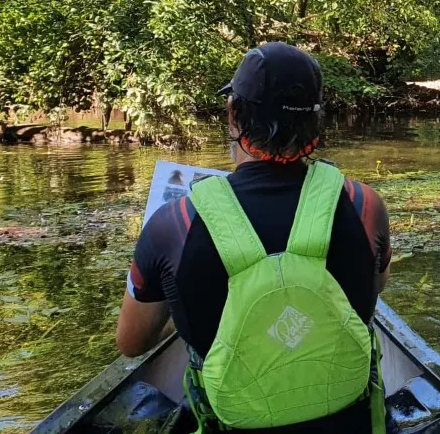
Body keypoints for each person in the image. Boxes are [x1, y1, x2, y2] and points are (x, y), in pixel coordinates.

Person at [115, 42, 392, 433]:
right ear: (315, 123)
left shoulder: (173, 223)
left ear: (233, 114)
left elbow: (132, 343)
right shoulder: (364, 205)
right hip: (346, 421)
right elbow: (375, 288)